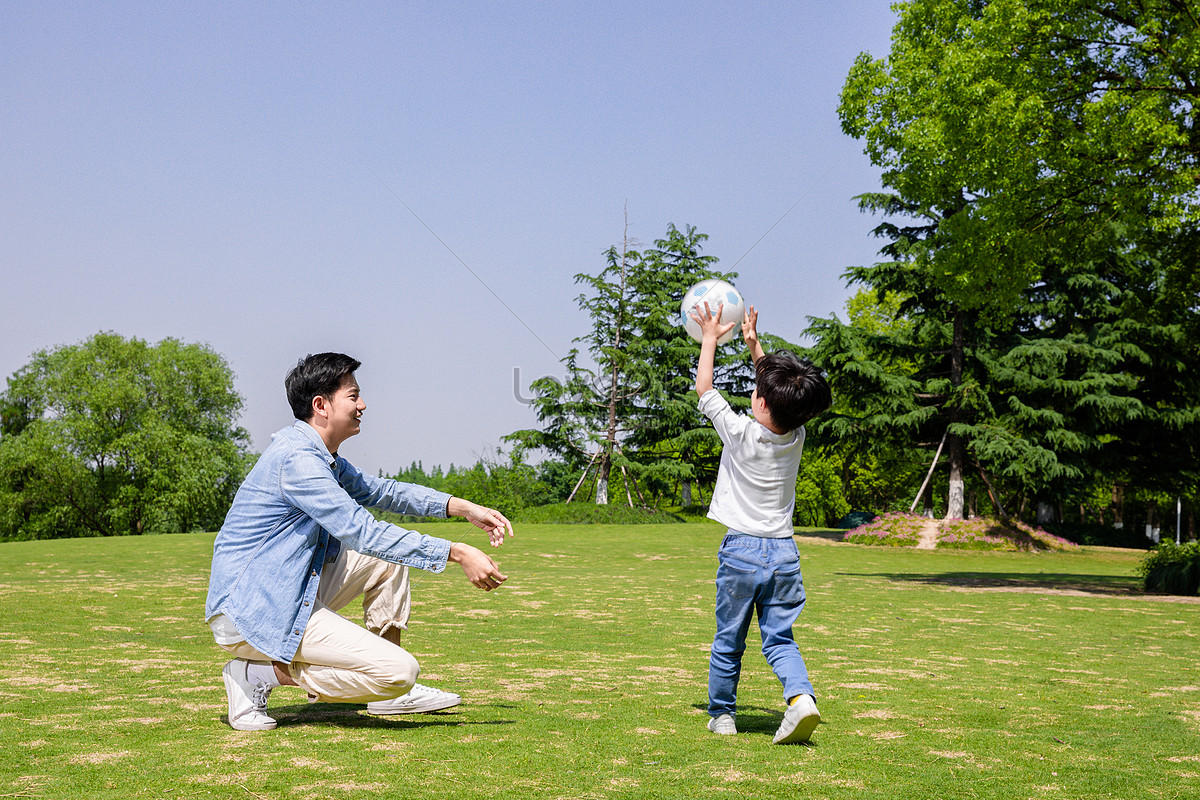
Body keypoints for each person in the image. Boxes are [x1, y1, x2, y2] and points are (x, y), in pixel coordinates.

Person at [205, 352, 514, 731]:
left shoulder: (324, 457)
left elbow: (382, 491)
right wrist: (456, 551)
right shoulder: (298, 461)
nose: (362, 404)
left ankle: (392, 700)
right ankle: (258, 675)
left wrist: (461, 508)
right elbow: (362, 532)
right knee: (400, 672)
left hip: (287, 593)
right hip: (254, 613)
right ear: (321, 405)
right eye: (353, 396)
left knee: (385, 560)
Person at [690, 302, 832, 744]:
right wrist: (754, 345)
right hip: (785, 554)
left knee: (729, 639)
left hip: (742, 552)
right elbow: (782, 395)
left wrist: (710, 338)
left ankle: (723, 714)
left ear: (761, 402)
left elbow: (703, 387)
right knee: (780, 639)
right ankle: (800, 699)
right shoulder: (797, 435)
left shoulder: (738, 431)